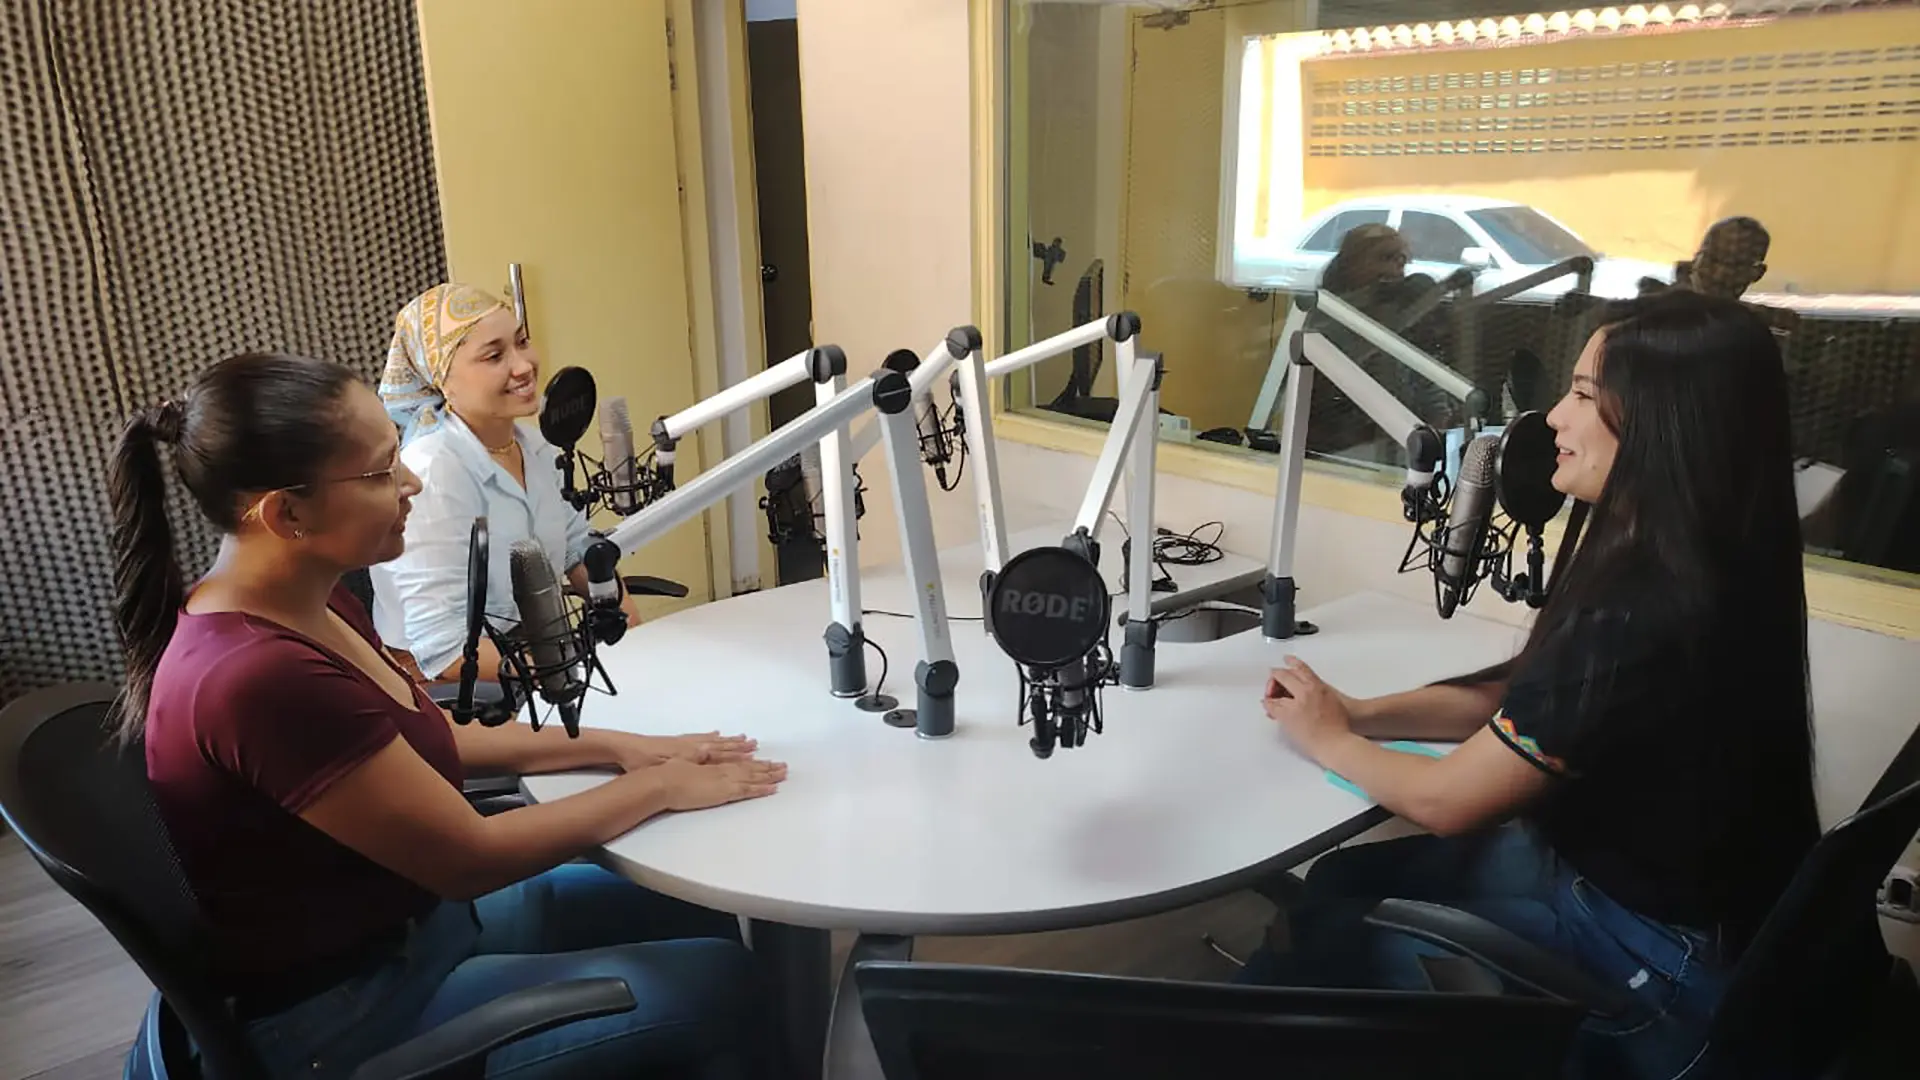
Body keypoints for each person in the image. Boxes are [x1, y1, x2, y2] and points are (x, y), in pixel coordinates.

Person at [110, 352, 787, 1079]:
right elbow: (471, 858)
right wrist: (655, 788)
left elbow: (415, 741)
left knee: (691, 907)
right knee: (725, 985)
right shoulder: (255, 677)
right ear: (286, 512)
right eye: (379, 472)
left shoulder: (311, 598)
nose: (411, 483)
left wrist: (625, 748)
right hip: (357, 1015)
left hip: (417, 929)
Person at [1251, 290, 1820, 1078]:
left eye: (1584, 395)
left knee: (1323, 943)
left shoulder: (1651, 609)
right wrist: (1362, 713)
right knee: (1342, 879)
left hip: (1658, 972)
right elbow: (1520, 699)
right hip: (1639, 902)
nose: (1553, 417)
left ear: (1663, 420)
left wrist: (1327, 738)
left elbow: (1449, 802)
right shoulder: (1698, 555)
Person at [373, 283, 641, 684]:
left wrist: (640, 639)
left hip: (531, 649)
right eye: (495, 356)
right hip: (448, 687)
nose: (524, 366)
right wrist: (572, 675)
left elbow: (577, 550)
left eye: (522, 342)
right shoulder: (433, 471)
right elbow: (443, 652)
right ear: (443, 379)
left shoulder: (529, 443)